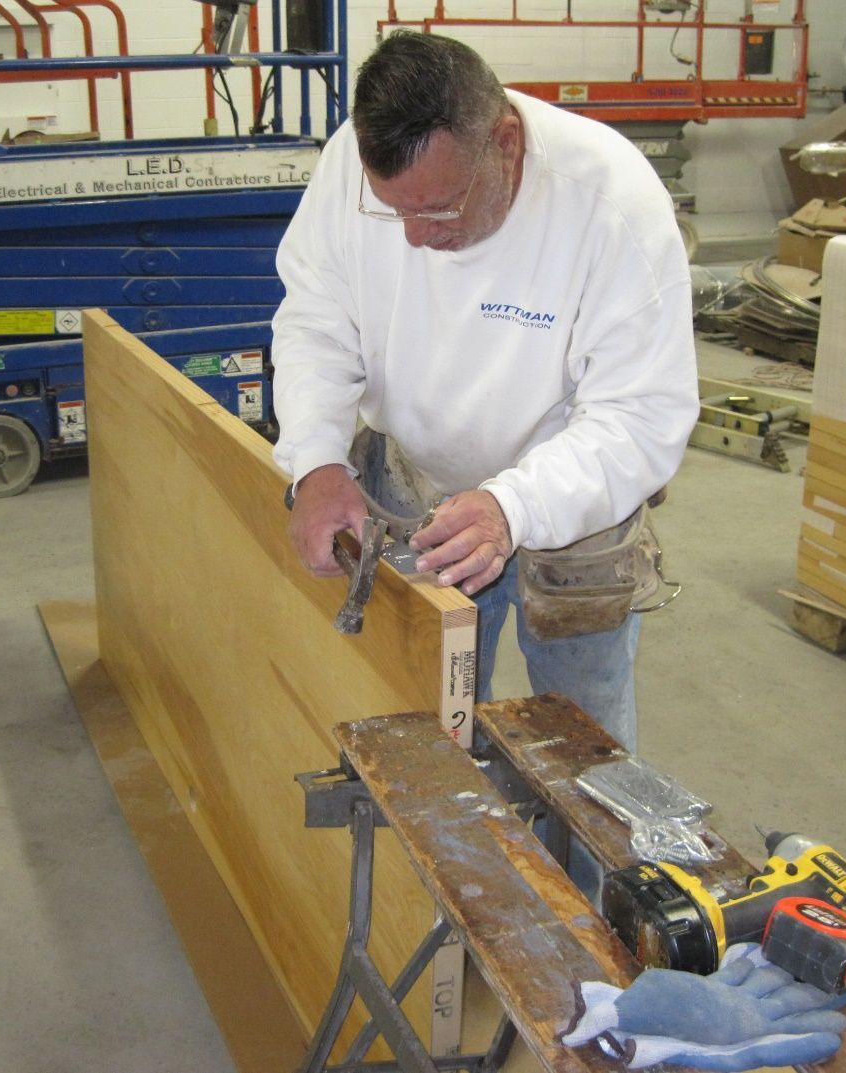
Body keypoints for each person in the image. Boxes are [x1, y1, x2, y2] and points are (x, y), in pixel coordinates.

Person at [270, 30, 698, 754]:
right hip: (412, 484)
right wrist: (315, 460)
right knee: (424, 721)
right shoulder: (352, 159)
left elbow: (641, 415)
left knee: (584, 749)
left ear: (504, 144)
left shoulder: (609, 201)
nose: (410, 238)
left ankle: (581, 871)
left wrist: (515, 505)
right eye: (391, 210)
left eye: (437, 211)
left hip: (571, 507)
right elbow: (317, 317)